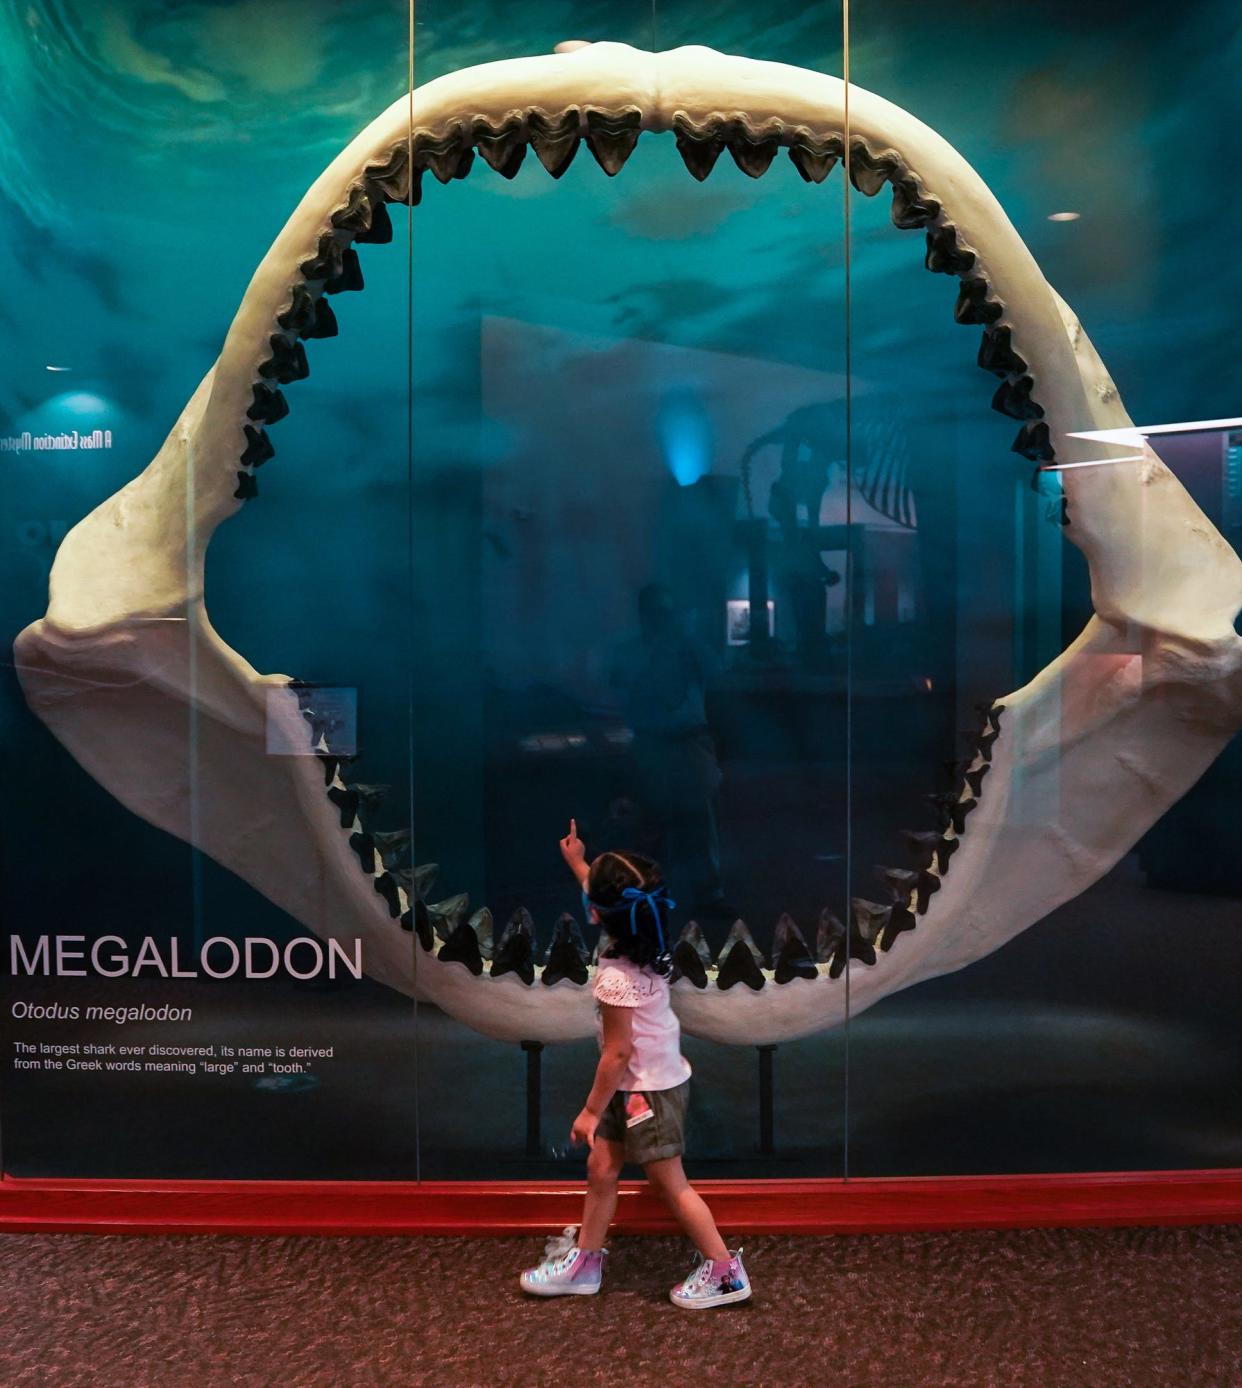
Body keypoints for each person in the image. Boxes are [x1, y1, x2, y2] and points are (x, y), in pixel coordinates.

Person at [518, 821, 751, 1310]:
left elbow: (617, 1053)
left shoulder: (615, 977)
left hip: (647, 1091)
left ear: (598, 915)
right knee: (602, 1167)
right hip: (635, 1085)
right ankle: (585, 1262)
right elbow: (609, 898)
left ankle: (726, 1271)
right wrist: (579, 862)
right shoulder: (647, 938)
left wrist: (586, 1111)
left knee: (670, 1182)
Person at [609, 583, 728, 919]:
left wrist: (684, 640)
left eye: (665, 613)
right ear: (644, 614)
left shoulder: (688, 646)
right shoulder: (631, 651)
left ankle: (709, 894)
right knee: (649, 821)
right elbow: (618, 683)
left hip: (688, 742)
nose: (660, 619)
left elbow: (716, 671)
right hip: (651, 743)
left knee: (699, 821)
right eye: (656, 612)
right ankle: (644, 894)